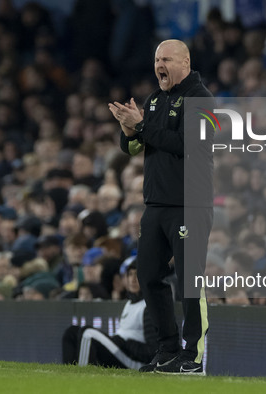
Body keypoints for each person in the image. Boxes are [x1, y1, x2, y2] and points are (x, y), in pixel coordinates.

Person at [108, 39, 214, 375]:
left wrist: (141, 125)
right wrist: (129, 128)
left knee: (188, 282)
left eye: (165, 59)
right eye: (156, 60)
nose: (159, 66)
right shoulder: (154, 100)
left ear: (184, 61)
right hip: (155, 205)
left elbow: (186, 144)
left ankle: (192, 356)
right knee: (148, 276)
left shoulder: (202, 99)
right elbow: (135, 147)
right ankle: (167, 349)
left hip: (189, 205)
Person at [61, 259, 157, 369]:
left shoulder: (147, 307)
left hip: (133, 360)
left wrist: (126, 343)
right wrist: (120, 341)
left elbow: (152, 350)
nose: (133, 279)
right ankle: (67, 373)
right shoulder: (129, 303)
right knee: (72, 332)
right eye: (130, 274)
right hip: (120, 348)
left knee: (88, 333)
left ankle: (83, 374)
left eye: (137, 274)